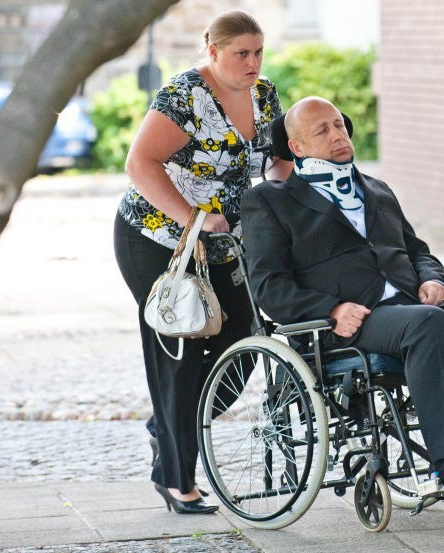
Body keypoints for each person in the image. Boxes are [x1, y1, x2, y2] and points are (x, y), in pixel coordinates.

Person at [240, 96, 444, 490]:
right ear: (298, 148)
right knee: (428, 323)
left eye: (339, 125)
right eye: (322, 130)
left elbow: (417, 251)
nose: (337, 134)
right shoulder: (271, 201)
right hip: (353, 322)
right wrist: (333, 308)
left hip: (417, 308)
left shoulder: (376, 188)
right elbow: (269, 287)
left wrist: (433, 279)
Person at [114, 10, 293, 514]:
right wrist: (193, 216)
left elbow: (275, 160)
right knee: (182, 350)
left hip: (223, 244)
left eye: (259, 52)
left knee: (247, 338)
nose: (253, 62)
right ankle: (177, 480)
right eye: (242, 53)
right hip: (156, 238)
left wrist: (286, 185)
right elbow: (139, 162)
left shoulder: (264, 95)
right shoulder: (185, 94)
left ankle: (169, 429)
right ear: (213, 51)